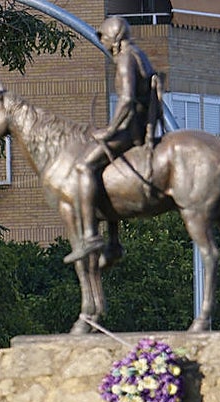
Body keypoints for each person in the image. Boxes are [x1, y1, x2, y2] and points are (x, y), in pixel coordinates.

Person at [65, 16, 159, 264]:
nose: (103, 43)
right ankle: (114, 243)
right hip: (139, 127)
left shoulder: (126, 59)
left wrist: (109, 131)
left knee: (83, 166)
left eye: (104, 38)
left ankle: (90, 236)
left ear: (115, 38)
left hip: (130, 131)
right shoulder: (140, 55)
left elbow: (127, 100)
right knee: (106, 173)